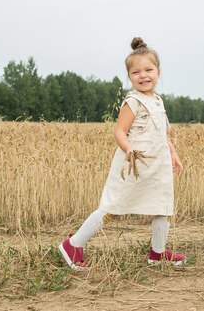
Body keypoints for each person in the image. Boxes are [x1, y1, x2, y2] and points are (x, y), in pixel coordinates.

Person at [59, 37, 186, 270]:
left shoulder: (158, 101)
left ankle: (157, 253)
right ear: (129, 77)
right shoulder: (133, 101)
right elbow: (119, 131)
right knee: (113, 206)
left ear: (158, 71)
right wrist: (129, 150)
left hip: (157, 165)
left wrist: (173, 152)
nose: (143, 75)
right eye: (136, 72)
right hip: (134, 164)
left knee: (162, 206)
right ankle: (73, 244)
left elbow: (162, 133)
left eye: (149, 70)